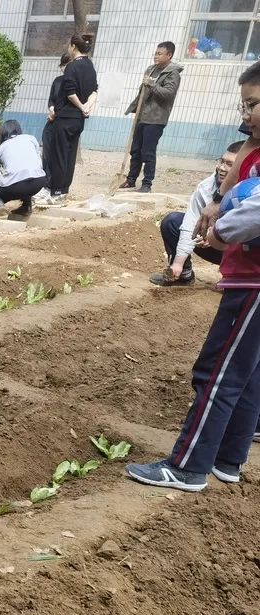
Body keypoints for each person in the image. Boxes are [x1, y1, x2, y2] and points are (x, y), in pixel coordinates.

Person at [125, 62, 260, 491]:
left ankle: (188, 466)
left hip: (253, 281)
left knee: (216, 371)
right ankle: (227, 459)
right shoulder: (252, 150)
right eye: (244, 104)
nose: (247, 113)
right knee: (248, 372)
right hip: (249, 277)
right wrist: (221, 199)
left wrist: (219, 232)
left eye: (254, 104)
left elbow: (253, 214)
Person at [151, 141, 242, 287]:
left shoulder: (253, 191)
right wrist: (178, 263)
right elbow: (190, 222)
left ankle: (239, 279)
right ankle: (183, 274)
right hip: (215, 247)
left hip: (243, 251)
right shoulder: (206, 186)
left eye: (230, 164)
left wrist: (218, 235)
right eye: (221, 161)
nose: (221, 168)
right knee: (173, 221)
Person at [43, 33, 98, 205]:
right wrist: (88, 106)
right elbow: (94, 91)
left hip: (65, 118)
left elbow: (70, 92)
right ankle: (64, 190)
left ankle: (56, 192)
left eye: (69, 45)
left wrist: (81, 106)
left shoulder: (72, 67)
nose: (68, 48)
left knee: (59, 155)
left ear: (74, 47)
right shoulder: (90, 66)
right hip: (78, 120)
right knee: (70, 155)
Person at [121, 41, 183, 193]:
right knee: (135, 150)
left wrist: (151, 85)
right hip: (142, 116)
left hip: (156, 118)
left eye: (159, 53)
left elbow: (168, 94)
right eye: (155, 53)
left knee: (147, 152)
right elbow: (143, 91)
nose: (156, 56)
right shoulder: (151, 69)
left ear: (169, 55)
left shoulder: (172, 73)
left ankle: (147, 183)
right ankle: (131, 179)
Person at [0, 120, 47, 218]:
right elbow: (38, 162)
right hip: (39, 181)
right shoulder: (31, 139)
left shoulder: (0, 149)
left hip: (17, 186)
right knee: (27, 177)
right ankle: (26, 207)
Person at [34, 53, 69, 204]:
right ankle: (45, 185)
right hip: (52, 122)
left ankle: (57, 188)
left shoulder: (75, 84)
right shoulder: (57, 81)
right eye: (62, 66)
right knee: (47, 154)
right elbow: (51, 99)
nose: (64, 69)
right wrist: (51, 108)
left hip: (64, 123)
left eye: (66, 65)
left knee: (59, 157)